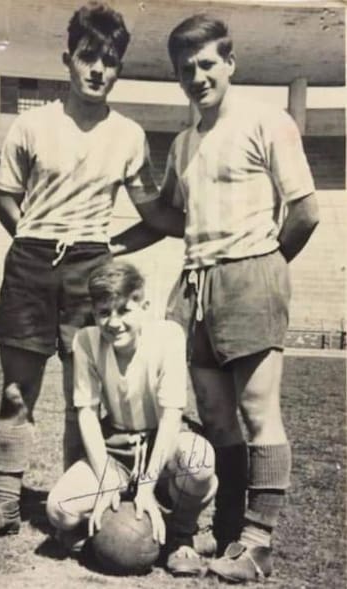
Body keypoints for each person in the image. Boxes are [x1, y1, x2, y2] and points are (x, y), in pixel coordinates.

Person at [0, 1, 182, 543]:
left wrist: (107, 246)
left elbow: (153, 216)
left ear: (119, 67)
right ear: (68, 59)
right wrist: (39, 244)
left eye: (109, 60)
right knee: (16, 392)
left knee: (83, 395)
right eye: (88, 57)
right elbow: (6, 201)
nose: (98, 70)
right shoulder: (31, 124)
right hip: (32, 263)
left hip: (91, 268)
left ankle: (76, 507)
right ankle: (7, 502)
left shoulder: (129, 135)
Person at [114, 15, 319, 584]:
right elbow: (169, 218)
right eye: (187, 69)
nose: (198, 76)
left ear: (230, 63)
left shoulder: (267, 121)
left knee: (258, 414)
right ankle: (230, 532)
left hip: (250, 274)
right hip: (195, 284)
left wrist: (266, 267)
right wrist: (114, 222)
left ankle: (258, 542)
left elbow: (304, 211)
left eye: (207, 64)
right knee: (217, 420)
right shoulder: (183, 143)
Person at [46, 260, 218, 576]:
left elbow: (171, 417)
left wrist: (148, 488)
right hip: (117, 450)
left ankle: (183, 535)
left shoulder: (169, 335)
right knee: (59, 510)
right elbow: (86, 413)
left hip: (162, 446)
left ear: (144, 306)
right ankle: (109, 530)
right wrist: (104, 481)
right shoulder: (85, 340)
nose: (113, 322)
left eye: (124, 310)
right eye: (103, 313)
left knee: (199, 459)